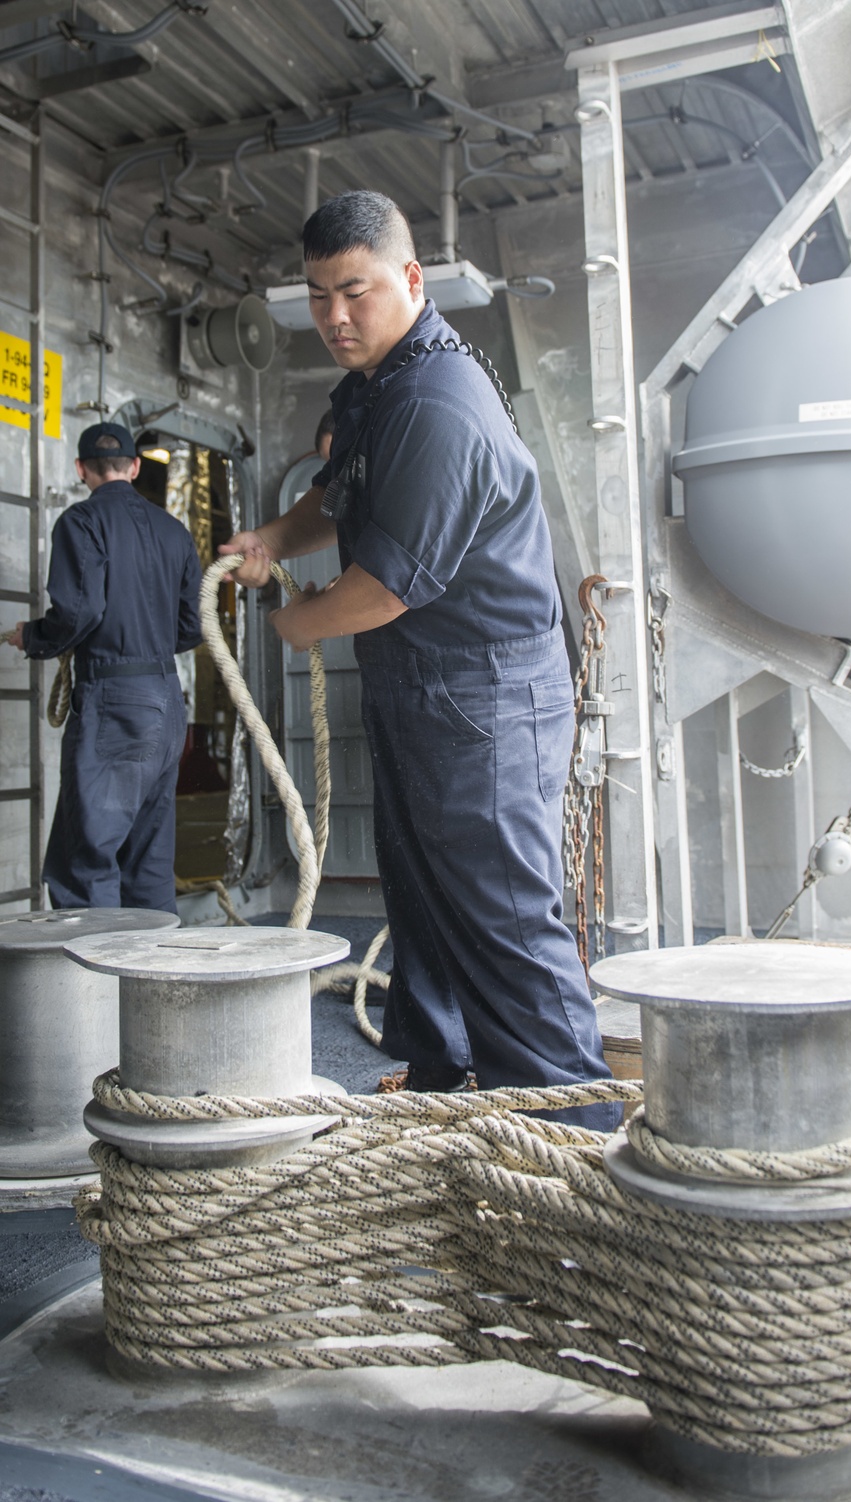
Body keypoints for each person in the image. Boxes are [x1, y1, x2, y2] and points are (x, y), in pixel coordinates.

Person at [221, 190, 618, 1130]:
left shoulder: (439, 404)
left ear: (408, 278)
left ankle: (575, 1144)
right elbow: (341, 493)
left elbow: (388, 585)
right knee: (427, 903)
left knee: (504, 918)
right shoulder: (378, 384)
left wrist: (299, 625)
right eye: (317, 296)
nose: (334, 317)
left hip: (483, 690)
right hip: (424, 680)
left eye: (353, 291)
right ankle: (445, 1106)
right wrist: (273, 535)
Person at [5, 423, 202, 912]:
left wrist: (33, 637)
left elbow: (79, 612)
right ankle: (152, 984)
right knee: (149, 863)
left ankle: (93, 990)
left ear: (80, 469)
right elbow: (194, 627)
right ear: (135, 467)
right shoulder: (174, 531)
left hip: (113, 705)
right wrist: (147, 644)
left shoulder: (81, 521)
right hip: (165, 702)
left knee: (85, 860)